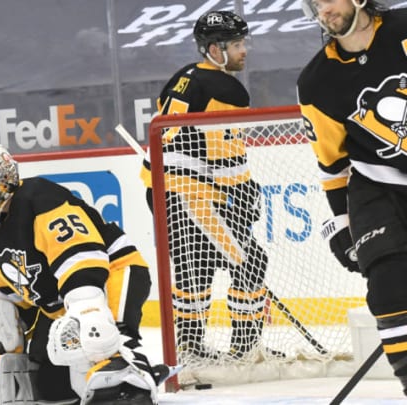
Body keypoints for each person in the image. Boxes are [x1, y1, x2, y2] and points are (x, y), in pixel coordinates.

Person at [0, 144, 181, 404]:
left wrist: (87, 312)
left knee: (99, 337)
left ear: (6, 180)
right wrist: (7, 336)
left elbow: (82, 260)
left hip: (112, 274)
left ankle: (133, 382)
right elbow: (14, 296)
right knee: (50, 388)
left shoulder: (38, 198)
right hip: (60, 307)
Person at [138, 10, 281, 362]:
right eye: (236, 44)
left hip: (163, 189)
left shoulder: (183, 77)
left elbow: (174, 136)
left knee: (194, 269)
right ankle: (245, 350)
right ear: (215, 50)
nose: (243, 50)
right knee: (251, 262)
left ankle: (190, 348)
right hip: (188, 192)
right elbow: (224, 156)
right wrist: (244, 188)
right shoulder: (225, 88)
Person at [298, 0, 407, 396]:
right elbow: (332, 165)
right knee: (389, 287)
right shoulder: (316, 82)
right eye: (314, 4)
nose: (321, 9)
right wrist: (342, 222)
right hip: (375, 185)